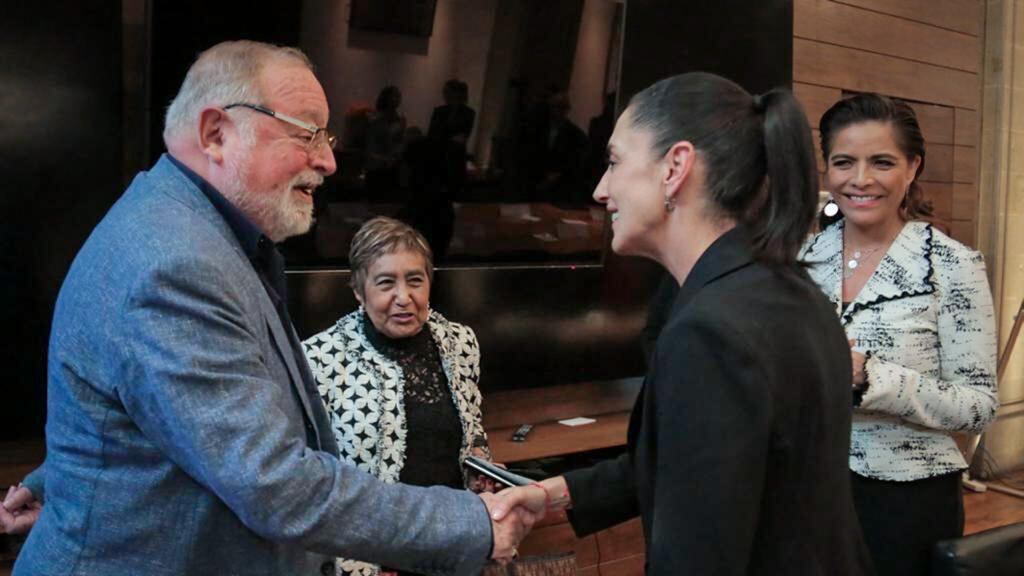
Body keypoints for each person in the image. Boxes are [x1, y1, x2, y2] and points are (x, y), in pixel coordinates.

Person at [0, 40, 542, 575]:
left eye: (326, 136)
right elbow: (275, 485)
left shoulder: (183, 226)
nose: (328, 160)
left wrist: (64, 479)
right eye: (307, 132)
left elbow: (150, 412)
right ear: (216, 133)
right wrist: (472, 525)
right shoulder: (175, 264)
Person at [493, 72, 875, 574]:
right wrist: (557, 492)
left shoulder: (710, 330)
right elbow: (701, 464)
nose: (601, 189)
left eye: (613, 161)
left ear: (675, 167)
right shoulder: (784, 289)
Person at [800, 93, 999, 576]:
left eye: (882, 162)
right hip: (805, 489)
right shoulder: (799, 260)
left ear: (912, 168)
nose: (860, 179)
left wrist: (870, 378)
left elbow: (978, 406)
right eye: (844, 162)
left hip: (905, 503)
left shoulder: (951, 265)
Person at [303, 217, 495, 576]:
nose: (403, 298)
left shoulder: (461, 344)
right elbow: (310, 474)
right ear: (359, 291)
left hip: (451, 546)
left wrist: (482, 470)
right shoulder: (319, 359)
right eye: (386, 283)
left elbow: (472, 432)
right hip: (370, 555)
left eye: (415, 280)